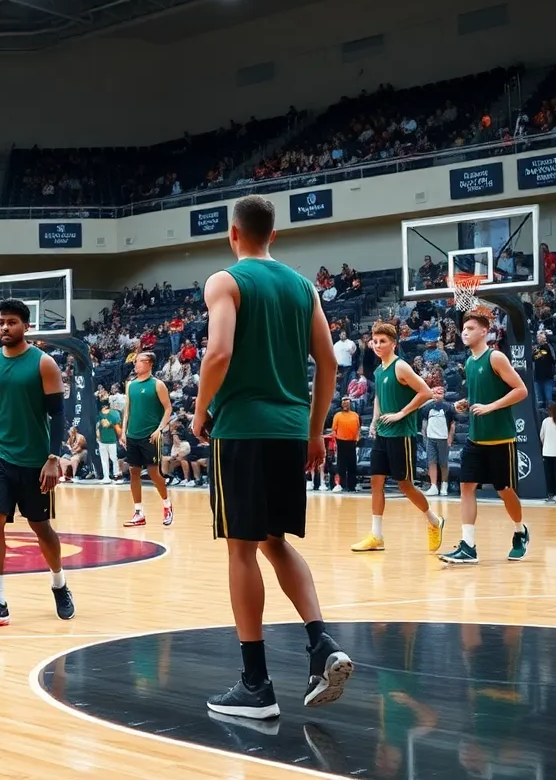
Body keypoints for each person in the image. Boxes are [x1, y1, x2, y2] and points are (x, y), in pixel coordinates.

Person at [191, 195, 352, 720]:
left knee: (241, 551)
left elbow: (218, 353)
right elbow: (328, 363)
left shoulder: (225, 281)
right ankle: (321, 642)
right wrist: (316, 431)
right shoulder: (304, 287)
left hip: (242, 430)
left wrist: (200, 410)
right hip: (289, 432)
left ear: (233, 233)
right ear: (273, 235)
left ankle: (256, 685)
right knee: (274, 541)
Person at [0, 298, 74, 629]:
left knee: (41, 527)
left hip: (35, 459)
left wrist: (52, 458)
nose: (5, 327)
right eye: (0, 322)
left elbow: (57, 415)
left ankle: (59, 582)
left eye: (12, 322)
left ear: (26, 326)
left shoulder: (44, 364)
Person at [440, 307, 530, 564]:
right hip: (475, 439)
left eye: (470, 328)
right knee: (466, 487)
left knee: (505, 490)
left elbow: (521, 390)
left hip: (500, 438)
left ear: (484, 331)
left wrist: (491, 407)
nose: (464, 332)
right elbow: (481, 393)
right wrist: (467, 402)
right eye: (464, 329)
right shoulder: (469, 362)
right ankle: (468, 546)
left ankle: (520, 531)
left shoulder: (496, 357)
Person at [352, 321, 444, 554]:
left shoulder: (400, 366)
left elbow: (425, 392)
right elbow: (378, 398)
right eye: (375, 341)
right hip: (382, 434)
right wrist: (375, 420)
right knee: (376, 482)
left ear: (393, 343)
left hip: (401, 434)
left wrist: (401, 413)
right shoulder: (379, 370)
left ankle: (434, 520)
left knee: (405, 484)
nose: (377, 345)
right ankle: (376, 536)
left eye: (382, 341)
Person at [120, 352, 174, 527]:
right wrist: (124, 431)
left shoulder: (158, 384)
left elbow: (168, 408)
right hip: (132, 435)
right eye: (135, 361)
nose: (135, 364)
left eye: (139, 361)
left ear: (150, 363)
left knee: (153, 473)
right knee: (133, 472)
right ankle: (138, 513)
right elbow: (127, 410)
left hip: (151, 435)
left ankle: (167, 505)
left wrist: (160, 429)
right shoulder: (130, 385)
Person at [422, 385, 456, 497]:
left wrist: (450, 438)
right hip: (430, 439)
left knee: (443, 463)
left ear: (443, 395)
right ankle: (433, 486)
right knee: (431, 462)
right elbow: (425, 423)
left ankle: (444, 485)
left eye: (439, 393)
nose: (437, 395)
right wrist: (425, 437)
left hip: (443, 439)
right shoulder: (427, 408)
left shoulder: (449, 408)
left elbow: (452, 424)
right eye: (435, 393)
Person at [330, 397, 360, 492]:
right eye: (344, 402)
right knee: (341, 465)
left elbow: (358, 428)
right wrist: (335, 442)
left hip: (352, 442)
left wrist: (357, 438)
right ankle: (341, 485)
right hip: (341, 442)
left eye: (347, 403)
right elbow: (334, 430)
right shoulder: (337, 415)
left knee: (352, 465)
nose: (346, 404)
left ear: (350, 404)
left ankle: (352, 486)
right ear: (341, 404)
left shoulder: (355, 415)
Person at [96, 402, 122, 482]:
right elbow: (97, 428)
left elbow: (118, 428)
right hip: (105, 441)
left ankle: (114, 476)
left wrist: (121, 438)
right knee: (108, 459)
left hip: (110, 440)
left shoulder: (113, 414)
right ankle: (109, 477)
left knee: (111, 459)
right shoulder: (99, 415)